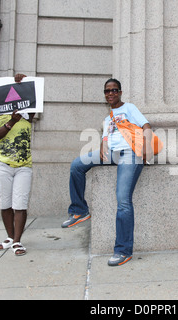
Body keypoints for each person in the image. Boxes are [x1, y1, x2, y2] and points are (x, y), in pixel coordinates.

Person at [61, 78, 153, 266]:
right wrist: (102, 148)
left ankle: (123, 251)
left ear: (120, 92)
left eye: (114, 90)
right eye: (107, 91)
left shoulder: (129, 108)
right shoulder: (107, 118)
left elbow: (146, 126)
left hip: (130, 153)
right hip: (111, 153)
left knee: (123, 200)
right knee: (77, 165)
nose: (110, 94)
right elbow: (105, 139)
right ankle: (80, 210)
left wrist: (146, 148)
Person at [0, 73, 35, 256]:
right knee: (6, 203)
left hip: (24, 166)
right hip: (4, 165)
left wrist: (23, 82)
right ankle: (10, 237)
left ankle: (17, 241)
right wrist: (10, 122)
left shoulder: (27, 113)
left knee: (20, 204)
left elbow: (32, 96)